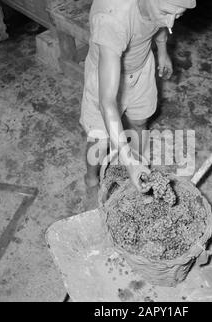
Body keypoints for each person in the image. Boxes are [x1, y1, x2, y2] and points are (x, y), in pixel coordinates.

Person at [80, 0, 196, 205]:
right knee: (100, 138)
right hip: (105, 75)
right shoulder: (111, 20)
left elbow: (160, 22)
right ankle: (91, 180)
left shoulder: (159, 7)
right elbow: (107, 103)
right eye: (167, 12)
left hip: (142, 67)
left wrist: (161, 50)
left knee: (140, 122)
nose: (171, 22)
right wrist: (128, 161)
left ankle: (134, 168)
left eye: (178, 15)